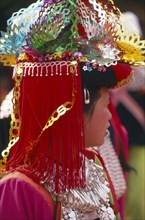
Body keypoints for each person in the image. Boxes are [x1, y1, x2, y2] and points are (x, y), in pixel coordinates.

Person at [0, 0, 144, 219]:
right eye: (106, 105)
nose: (109, 115)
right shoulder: (21, 189)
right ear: (78, 104)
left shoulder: (93, 164)